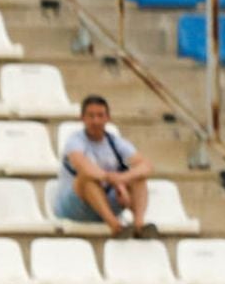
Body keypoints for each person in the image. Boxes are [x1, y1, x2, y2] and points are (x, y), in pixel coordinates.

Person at [54, 95, 154, 237]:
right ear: (82, 118)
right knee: (87, 179)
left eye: (100, 116)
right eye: (91, 116)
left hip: (104, 201)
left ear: (107, 118)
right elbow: (83, 167)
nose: (96, 121)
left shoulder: (115, 142)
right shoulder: (74, 141)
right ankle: (116, 227)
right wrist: (117, 183)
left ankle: (139, 226)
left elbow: (146, 166)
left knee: (139, 178)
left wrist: (123, 179)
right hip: (75, 206)